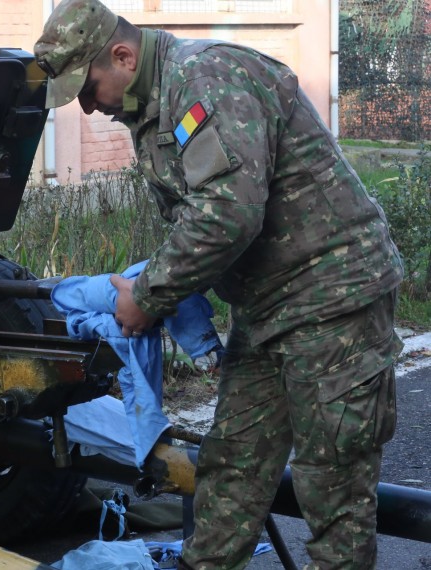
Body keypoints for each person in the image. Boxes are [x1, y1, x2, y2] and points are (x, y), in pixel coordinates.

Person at [34, 1, 404, 568]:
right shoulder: (155, 105)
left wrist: (149, 294)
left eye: (87, 88)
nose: (87, 106)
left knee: (332, 483)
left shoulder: (204, 77)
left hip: (334, 300)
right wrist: (159, 288)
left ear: (123, 55)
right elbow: (199, 216)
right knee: (232, 463)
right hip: (268, 307)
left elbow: (228, 215)